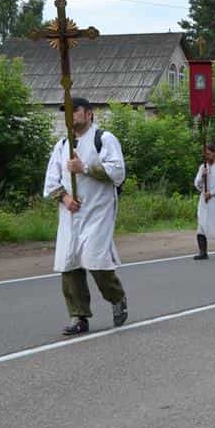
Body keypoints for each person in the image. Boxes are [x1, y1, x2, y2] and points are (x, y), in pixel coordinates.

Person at [43, 97, 128, 335]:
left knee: (95, 260)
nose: (71, 115)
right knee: (69, 264)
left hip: (98, 212)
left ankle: (116, 297)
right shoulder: (62, 145)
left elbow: (118, 171)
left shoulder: (104, 139)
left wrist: (86, 168)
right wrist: (65, 198)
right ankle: (79, 316)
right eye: (66, 112)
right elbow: (51, 181)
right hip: (71, 215)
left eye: (75, 110)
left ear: (89, 113)